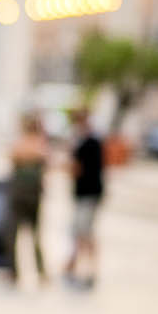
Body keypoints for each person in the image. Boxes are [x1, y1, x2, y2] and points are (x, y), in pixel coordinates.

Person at [63, 109, 105, 288]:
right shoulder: (92, 141)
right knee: (80, 231)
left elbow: (76, 168)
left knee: (83, 233)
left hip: (87, 194)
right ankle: (73, 266)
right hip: (88, 194)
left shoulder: (87, 143)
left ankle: (88, 270)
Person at [7, 112, 49, 285]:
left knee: (16, 233)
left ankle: (15, 271)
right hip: (31, 194)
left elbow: (13, 159)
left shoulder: (22, 143)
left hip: (21, 193)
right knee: (32, 234)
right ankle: (38, 272)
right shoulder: (41, 144)